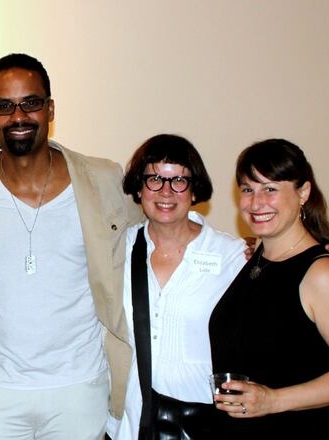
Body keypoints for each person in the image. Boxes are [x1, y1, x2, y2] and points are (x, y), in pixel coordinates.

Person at [0, 53, 142, 439]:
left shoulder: (104, 179)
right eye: (5, 106)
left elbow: (152, 239)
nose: (18, 116)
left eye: (30, 103)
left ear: (49, 109)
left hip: (81, 387)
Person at [208, 139, 329, 439]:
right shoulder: (255, 259)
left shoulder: (323, 273)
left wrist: (273, 400)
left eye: (270, 189)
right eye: (248, 189)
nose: (256, 202)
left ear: (303, 193)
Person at [107, 135, 248, 440]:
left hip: (202, 422)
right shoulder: (118, 249)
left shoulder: (231, 255)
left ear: (194, 188)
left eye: (179, 181)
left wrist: (328, 256)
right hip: (131, 424)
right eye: (155, 179)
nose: (166, 192)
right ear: (139, 187)